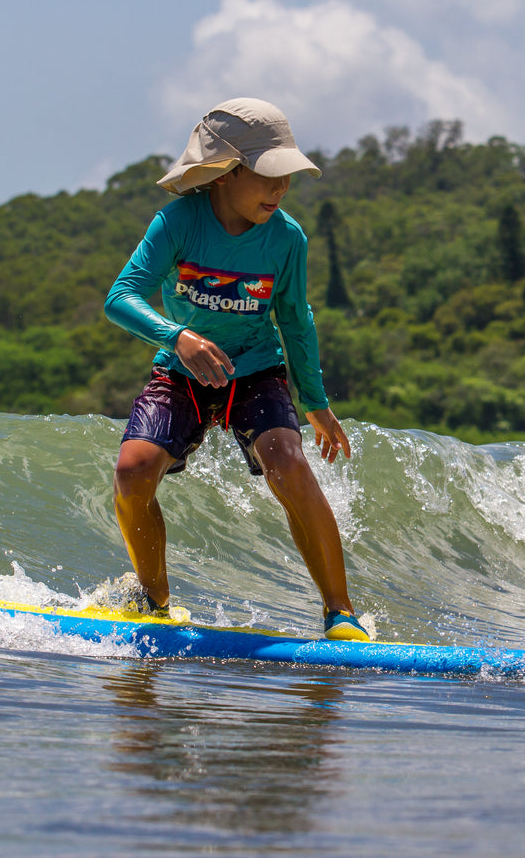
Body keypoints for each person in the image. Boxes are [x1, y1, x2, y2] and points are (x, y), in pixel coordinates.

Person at [104, 97, 368, 642]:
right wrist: (177, 337)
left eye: (287, 178)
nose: (280, 190)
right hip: (182, 369)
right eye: (267, 176)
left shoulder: (287, 239)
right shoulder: (178, 221)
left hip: (257, 370)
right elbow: (121, 296)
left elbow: (296, 320)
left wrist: (315, 402)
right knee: (133, 470)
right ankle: (152, 599)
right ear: (224, 173)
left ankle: (340, 614)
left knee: (288, 463)